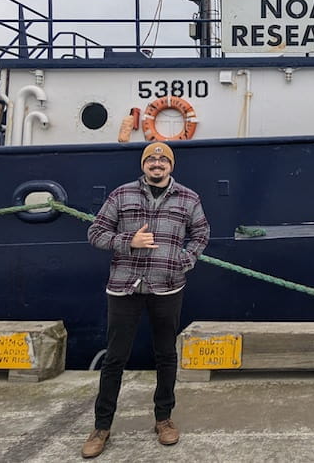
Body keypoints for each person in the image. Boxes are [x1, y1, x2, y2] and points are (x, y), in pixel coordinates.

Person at [82, 141, 210, 458]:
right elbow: (95, 233)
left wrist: (184, 260)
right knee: (115, 358)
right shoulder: (121, 195)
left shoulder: (188, 198)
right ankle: (101, 427)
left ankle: (164, 419)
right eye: (151, 160)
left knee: (166, 354)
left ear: (170, 165)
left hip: (167, 286)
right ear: (144, 165)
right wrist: (129, 241)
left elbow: (202, 233)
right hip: (124, 286)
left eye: (163, 160)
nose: (157, 164)